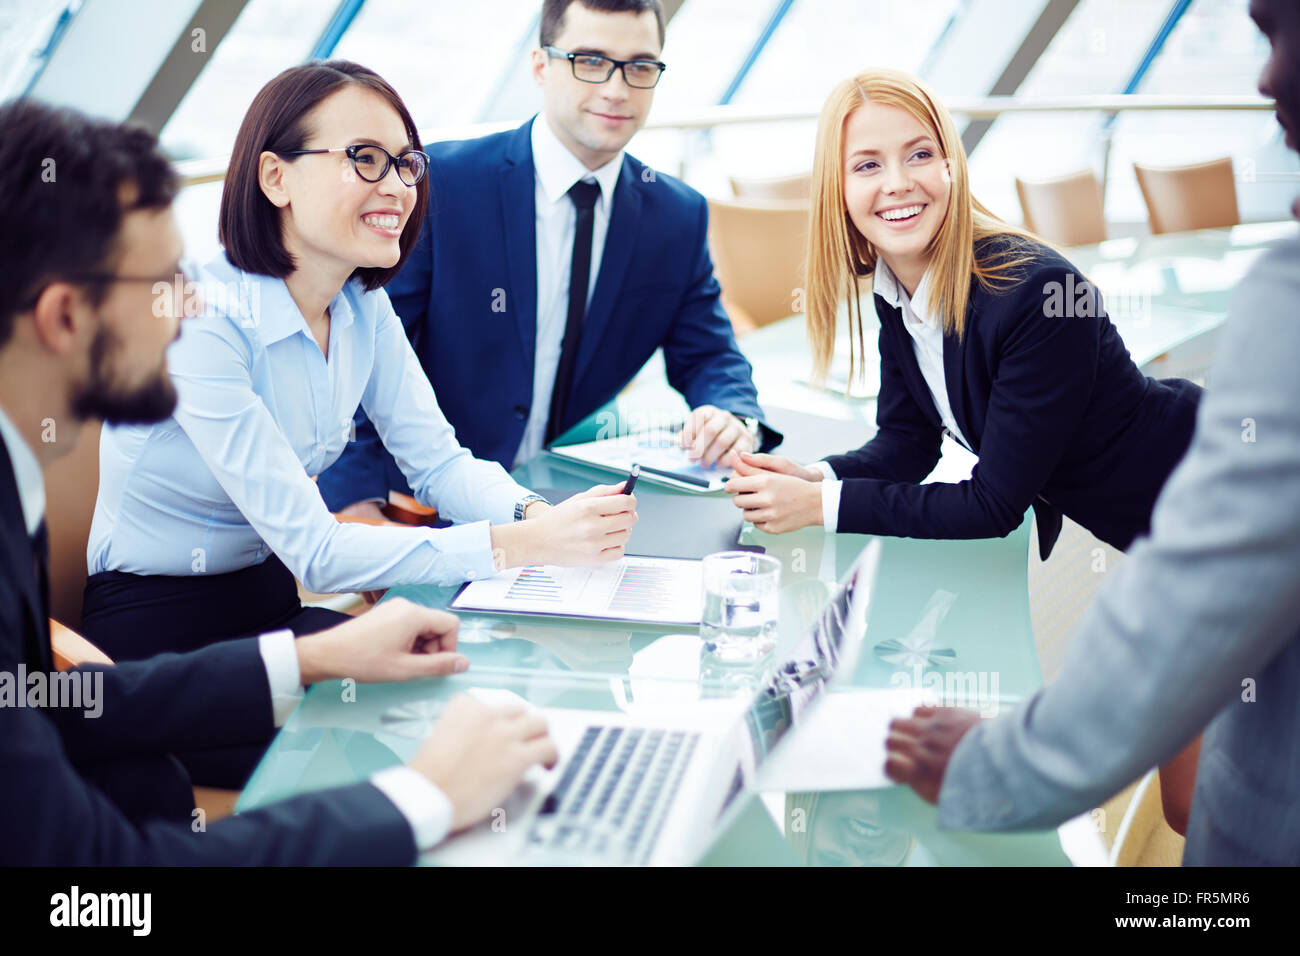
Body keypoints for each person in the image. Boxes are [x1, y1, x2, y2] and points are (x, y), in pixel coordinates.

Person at [0, 98, 558, 865]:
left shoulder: (16, 485)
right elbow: (101, 888)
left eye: (404, 163)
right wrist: (420, 797)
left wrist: (312, 660)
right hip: (163, 624)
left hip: (253, 615)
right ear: (64, 317)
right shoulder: (217, 326)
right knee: (426, 763)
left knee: (472, 715)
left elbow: (42, 704)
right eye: (165, 282)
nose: (188, 302)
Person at [883, 0, 1300, 866]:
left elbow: (1173, 609)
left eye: (1285, 32)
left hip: (1173, 513)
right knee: (1191, 799)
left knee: (1196, 805)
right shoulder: (901, 307)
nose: (1266, 76)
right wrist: (807, 481)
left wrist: (997, 763)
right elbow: (904, 440)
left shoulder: (1034, 292)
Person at [83, 60, 637, 663]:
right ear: (275, 177)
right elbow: (317, 553)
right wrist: (522, 543)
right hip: (158, 634)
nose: (399, 187)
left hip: (269, 603)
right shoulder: (200, 319)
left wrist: (539, 514)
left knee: (455, 678)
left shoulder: (360, 306)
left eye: (405, 163)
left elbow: (440, 466)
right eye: (364, 158)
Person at [319, 0, 780, 520]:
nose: (616, 88)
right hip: (417, 502)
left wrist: (732, 414)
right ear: (540, 65)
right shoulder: (439, 187)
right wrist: (355, 502)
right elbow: (361, 352)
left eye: (640, 66)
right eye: (590, 60)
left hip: (565, 503)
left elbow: (710, 354)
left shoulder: (675, 215)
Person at [722, 69, 1201, 561]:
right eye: (867, 166)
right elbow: (907, 442)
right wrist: (818, 477)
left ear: (951, 166)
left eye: (920, 155)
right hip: (1172, 534)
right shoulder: (896, 288)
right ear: (837, 189)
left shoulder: (1039, 293)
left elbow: (992, 505)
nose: (898, 183)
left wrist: (821, 506)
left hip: (1233, 494)